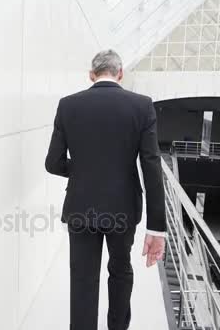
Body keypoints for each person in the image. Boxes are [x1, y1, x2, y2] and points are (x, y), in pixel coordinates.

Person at [45, 49, 166, 330]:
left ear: (91, 74)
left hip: (80, 207)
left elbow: (53, 163)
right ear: (120, 74)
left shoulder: (68, 106)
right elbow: (151, 166)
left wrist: (85, 170)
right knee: (121, 270)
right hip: (123, 209)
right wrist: (156, 228)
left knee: (83, 278)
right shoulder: (142, 106)